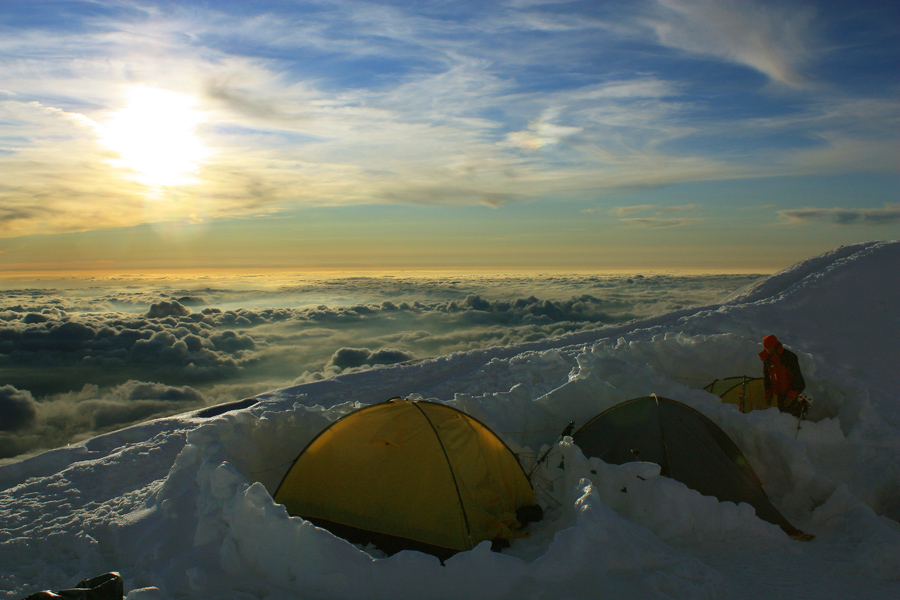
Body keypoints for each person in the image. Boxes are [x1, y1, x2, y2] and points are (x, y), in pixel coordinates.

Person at [759, 334, 806, 415]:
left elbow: (797, 378)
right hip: (781, 392)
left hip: (793, 391)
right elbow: (767, 378)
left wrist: (790, 397)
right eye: (766, 348)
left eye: (770, 347)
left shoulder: (789, 357)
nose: (768, 350)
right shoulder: (767, 360)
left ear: (775, 345)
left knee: (793, 415)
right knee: (783, 414)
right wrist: (768, 395)